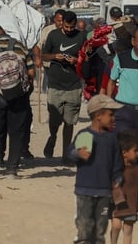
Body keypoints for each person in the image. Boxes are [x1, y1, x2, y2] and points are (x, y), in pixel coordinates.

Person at [68, 95, 124, 244]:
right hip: (84, 190)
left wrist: (117, 181)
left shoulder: (112, 139)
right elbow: (71, 155)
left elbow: (117, 164)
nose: (114, 118)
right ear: (98, 116)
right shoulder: (84, 135)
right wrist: (78, 154)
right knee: (84, 228)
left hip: (104, 192)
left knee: (100, 231)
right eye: (110, 114)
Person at [0, 25, 35, 179]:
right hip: (19, 95)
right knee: (16, 132)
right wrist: (26, 90)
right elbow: (31, 72)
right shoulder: (20, 45)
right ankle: (12, 169)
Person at [42, 11, 87, 162]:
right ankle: (53, 136)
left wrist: (76, 60)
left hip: (73, 85)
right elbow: (43, 55)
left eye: (71, 27)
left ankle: (66, 154)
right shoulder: (53, 35)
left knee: (69, 122)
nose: (68, 30)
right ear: (62, 24)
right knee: (54, 119)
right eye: (66, 27)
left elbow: (86, 58)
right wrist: (55, 56)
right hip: (55, 84)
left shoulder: (81, 36)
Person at [102, 27, 138, 164]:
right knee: (124, 148)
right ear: (133, 41)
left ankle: (136, 179)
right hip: (124, 111)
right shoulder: (121, 58)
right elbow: (111, 82)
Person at [110, 130, 138, 244]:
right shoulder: (116, 170)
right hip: (118, 205)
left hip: (131, 206)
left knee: (128, 230)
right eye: (135, 151)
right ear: (124, 153)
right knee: (116, 226)